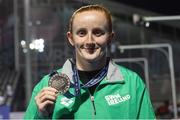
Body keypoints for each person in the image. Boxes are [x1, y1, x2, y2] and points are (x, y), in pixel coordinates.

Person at [24, 4, 155, 119]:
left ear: (110, 37)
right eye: (81, 33)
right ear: (71, 38)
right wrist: (41, 116)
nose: (89, 41)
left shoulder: (131, 83)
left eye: (98, 33)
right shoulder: (47, 86)